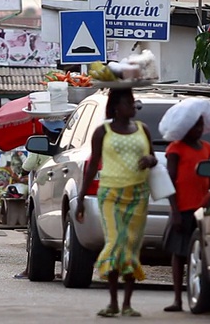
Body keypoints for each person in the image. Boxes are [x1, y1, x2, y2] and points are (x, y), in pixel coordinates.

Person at [76, 88, 158, 318]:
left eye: (133, 102)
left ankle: (127, 304)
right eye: (128, 103)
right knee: (116, 241)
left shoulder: (144, 129)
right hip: (110, 194)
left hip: (138, 196)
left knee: (130, 246)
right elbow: (92, 166)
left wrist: (149, 160)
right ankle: (112, 302)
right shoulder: (103, 132)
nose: (133, 107)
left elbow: (153, 157)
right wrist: (81, 198)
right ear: (115, 107)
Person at [162, 116, 210, 312]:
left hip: (201, 210)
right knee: (179, 255)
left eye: (201, 125)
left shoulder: (207, 148)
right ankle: (177, 299)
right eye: (195, 125)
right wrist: (175, 212)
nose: (199, 129)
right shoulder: (175, 149)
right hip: (182, 210)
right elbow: (169, 182)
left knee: (201, 255)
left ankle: (202, 297)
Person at [13, 118, 65, 280]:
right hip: (62, 195)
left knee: (34, 232)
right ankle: (64, 270)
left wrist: (19, 170)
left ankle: (30, 269)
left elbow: (25, 169)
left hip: (42, 194)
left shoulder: (40, 148)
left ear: (45, 131)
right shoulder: (67, 146)